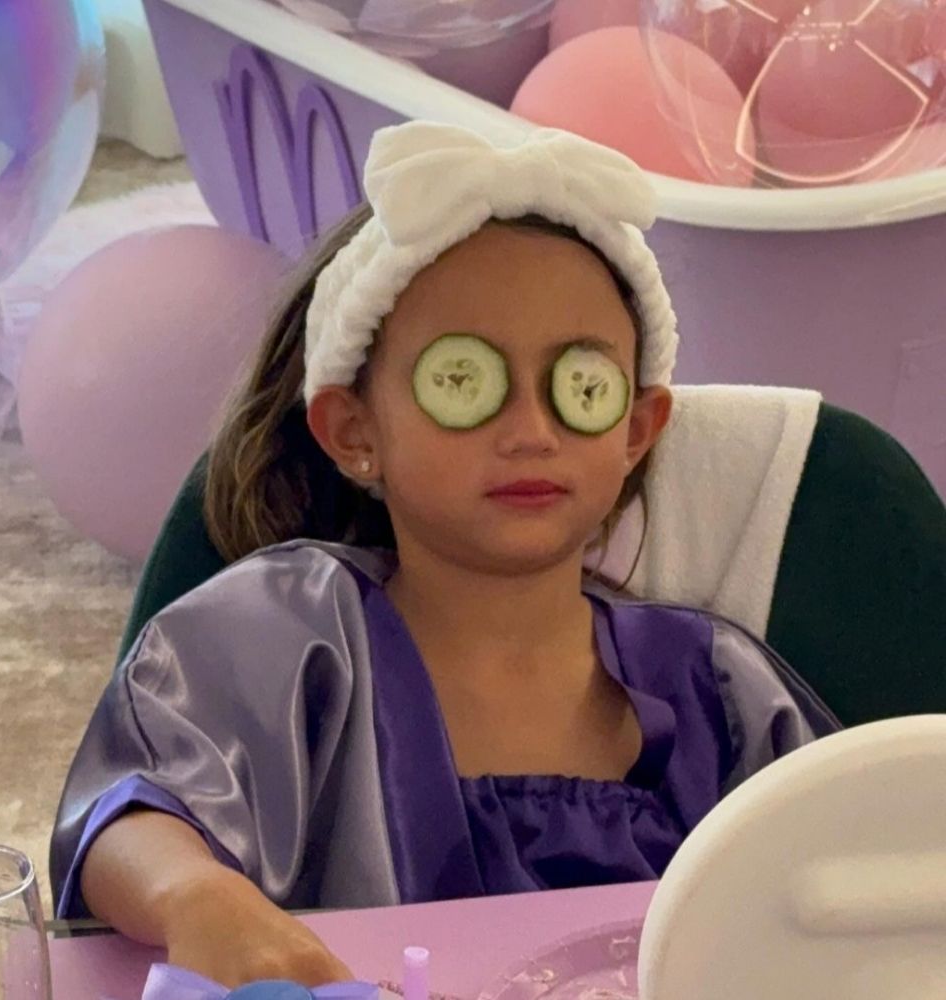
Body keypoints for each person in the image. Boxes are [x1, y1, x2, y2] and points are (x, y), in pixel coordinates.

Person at [49, 121, 838, 990]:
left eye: (581, 386)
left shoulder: (719, 687)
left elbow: (854, 862)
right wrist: (195, 894)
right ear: (354, 431)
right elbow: (124, 815)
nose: (531, 430)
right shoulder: (284, 637)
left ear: (636, 430)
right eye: (465, 381)